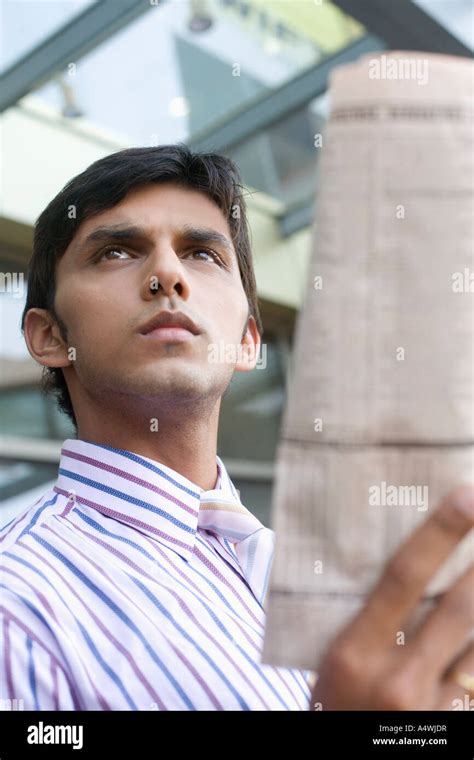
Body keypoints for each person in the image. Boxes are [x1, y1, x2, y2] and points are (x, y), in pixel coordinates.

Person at [1, 145, 472, 711]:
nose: (167, 275)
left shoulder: (324, 586)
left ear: (248, 341)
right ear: (49, 337)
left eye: (202, 253)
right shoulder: (17, 605)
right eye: (116, 252)